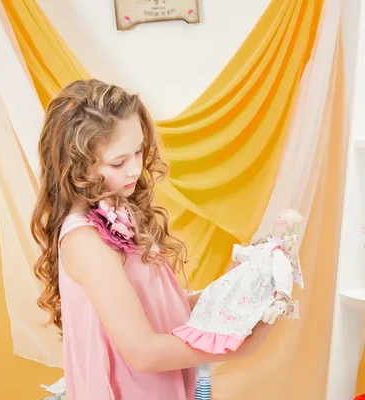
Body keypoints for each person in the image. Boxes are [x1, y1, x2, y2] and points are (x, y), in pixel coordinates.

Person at [30, 79, 273, 400]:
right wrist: (235, 346)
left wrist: (232, 289)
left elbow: (160, 309)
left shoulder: (118, 210)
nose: (135, 169)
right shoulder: (86, 241)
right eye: (118, 162)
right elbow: (142, 351)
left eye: (139, 150)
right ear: (75, 166)